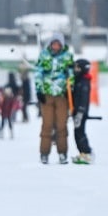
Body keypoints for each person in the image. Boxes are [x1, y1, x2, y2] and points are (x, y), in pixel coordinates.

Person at [34, 32, 74, 164]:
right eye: (54, 44)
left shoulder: (67, 57)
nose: (56, 46)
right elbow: (38, 72)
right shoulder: (44, 56)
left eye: (58, 44)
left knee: (61, 125)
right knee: (47, 124)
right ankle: (44, 153)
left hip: (61, 95)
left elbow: (71, 74)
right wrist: (39, 90)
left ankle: (62, 153)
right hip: (47, 94)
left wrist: (71, 86)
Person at [70, 59, 94, 164]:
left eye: (77, 68)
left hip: (81, 112)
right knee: (77, 132)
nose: (75, 70)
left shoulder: (84, 82)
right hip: (76, 111)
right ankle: (82, 153)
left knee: (80, 133)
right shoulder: (78, 80)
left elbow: (83, 99)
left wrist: (80, 112)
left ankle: (87, 152)